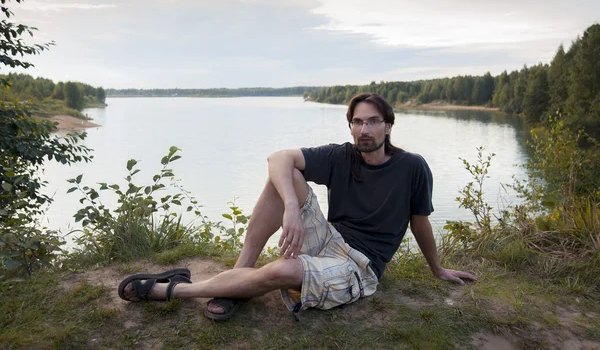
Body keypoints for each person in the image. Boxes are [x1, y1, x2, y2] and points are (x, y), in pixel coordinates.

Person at [118, 93, 477, 320]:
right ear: (351, 127)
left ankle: (173, 289)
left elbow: (419, 223)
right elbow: (278, 157)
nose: (364, 129)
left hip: (358, 265)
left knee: (284, 272)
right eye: (357, 121)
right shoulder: (342, 156)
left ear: (388, 126)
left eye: (372, 121)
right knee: (285, 176)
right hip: (328, 238)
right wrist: (292, 208)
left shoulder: (412, 167)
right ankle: (238, 275)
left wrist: (438, 269)